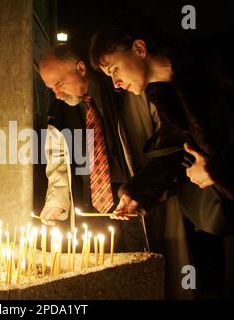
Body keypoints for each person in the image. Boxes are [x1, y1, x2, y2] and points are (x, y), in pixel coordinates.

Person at [89, 14, 234, 299]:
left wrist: (216, 170)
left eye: (116, 69)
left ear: (139, 49)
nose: (116, 83)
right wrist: (137, 193)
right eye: (110, 77)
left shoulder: (215, 63)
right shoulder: (166, 94)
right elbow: (170, 154)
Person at [37, 44, 187, 266]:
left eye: (59, 84)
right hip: (90, 208)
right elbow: (57, 159)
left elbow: (171, 136)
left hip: (134, 199)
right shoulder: (59, 111)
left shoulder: (124, 87)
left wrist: (155, 187)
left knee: (142, 268)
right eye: (51, 88)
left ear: (80, 68)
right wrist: (57, 199)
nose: (57, 94)